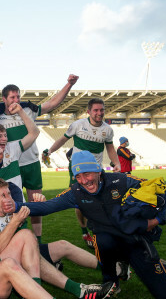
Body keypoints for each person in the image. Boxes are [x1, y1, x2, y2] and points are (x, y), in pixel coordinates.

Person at [26, 151, 166, 299]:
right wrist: (10, 206)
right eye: (78, 176)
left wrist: (156, 220)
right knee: (102, 239)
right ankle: (111, 281)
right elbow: (45, 207)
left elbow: (161, 194)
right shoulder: (75, 192)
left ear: (98, 171)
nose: (83, 181)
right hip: (108, 243)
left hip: (134, 241)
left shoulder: (121, 181)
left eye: (87, 174)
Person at [0, 179, 116, 299]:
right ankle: (73, 291)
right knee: (28, 239)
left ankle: (113, 269)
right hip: (0, 269)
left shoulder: (8, 210)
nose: (9, 198)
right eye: (3, 196)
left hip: (19, 255)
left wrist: (39, 203)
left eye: (9, 194)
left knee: (62, 245)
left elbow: (33, 213)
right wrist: (15, 221)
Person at [0, 77, 79, 244]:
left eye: (18, 97)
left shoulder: (29, 110)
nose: (16, 100)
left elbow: (53, 103)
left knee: (36, 204)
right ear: (4, 99)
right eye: (12, 97)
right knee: (8, 205)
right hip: (10, 166)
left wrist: (69, 84)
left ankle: (38, 242)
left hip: (31, 163)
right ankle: (12, 240)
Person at [42, 98, 119, 247]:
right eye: (96, 110)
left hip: (96, 169)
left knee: (102, 199)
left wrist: (116, 162)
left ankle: (102, 228)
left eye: (101, 110)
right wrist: (49, 151)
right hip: (77, 169)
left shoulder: (108, 130)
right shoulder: (78, 125)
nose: (99, 113)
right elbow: (62, 140)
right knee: (80, 202)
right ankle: (85, 232)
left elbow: (110, 148)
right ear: (88, 111)